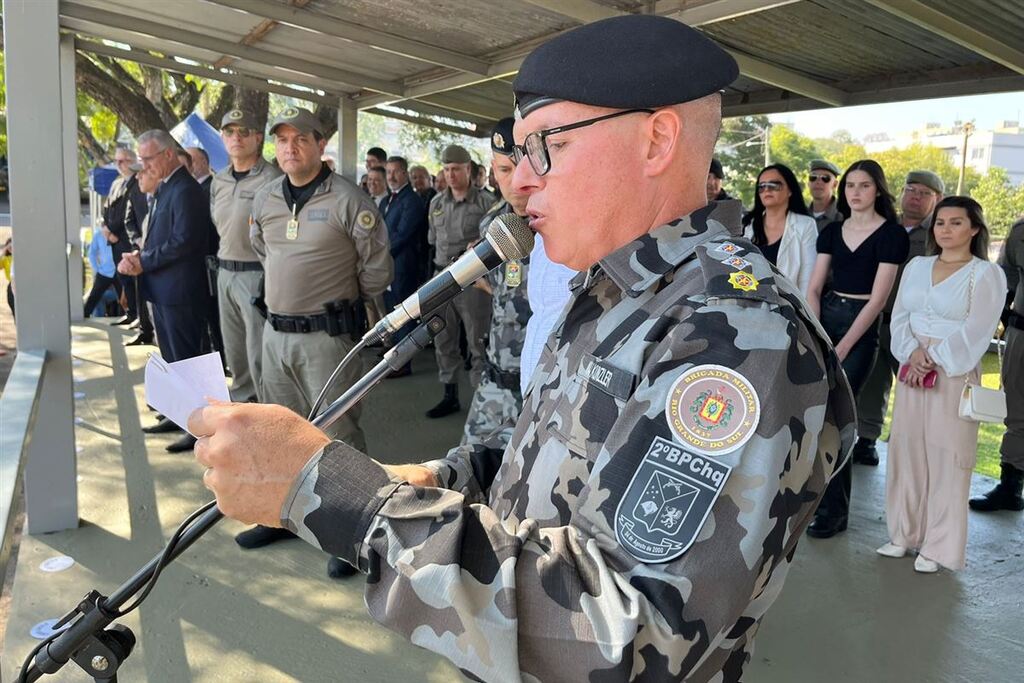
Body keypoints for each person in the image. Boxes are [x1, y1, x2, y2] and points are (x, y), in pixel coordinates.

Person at [191, 16, 854, 680]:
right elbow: (543, 456)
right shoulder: (617, 284)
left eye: (546, 147)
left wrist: (339, 496)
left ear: (655, 141)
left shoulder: (736, 330)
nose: (521, 180)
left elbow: (626, 632)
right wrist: (433, 480)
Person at [239, 107, 392, 579]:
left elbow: (377, 269)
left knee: (338, 435)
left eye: (300, 139)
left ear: (320, 144)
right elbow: (264, 251)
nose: (290, 148)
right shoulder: (265, 199)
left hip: (326, 338)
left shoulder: (348, 199)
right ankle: (281, 516)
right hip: (275, 336)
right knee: (276, 430)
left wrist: (344, 302)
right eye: (282, 140)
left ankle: (354, 531)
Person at [880, 196, 1005, 572]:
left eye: (955, 222)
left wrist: (935, 358)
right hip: (912, 366)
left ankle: (938, 548)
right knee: (906, 449)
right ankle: (904, 534)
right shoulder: (917, 265)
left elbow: (979, 328)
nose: (946, 230)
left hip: (952, 371)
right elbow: (900, 314)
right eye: (940, 223)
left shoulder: (985, 274)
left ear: (974, 229)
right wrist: (912, 353)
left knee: (948, 456)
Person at [805, 159, 909, 538]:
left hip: (862, 328)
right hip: (826, 315)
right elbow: (814, 288)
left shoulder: (892, 235)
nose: (855, 191)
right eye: (850, 185)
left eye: (864, 185)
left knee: (839, 418)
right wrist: (818, 335)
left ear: (877, 190)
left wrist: (844, 345)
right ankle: (815, 504)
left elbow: (879, 300)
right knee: (816, 416)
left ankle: (836, 512)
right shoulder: (832, 231)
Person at [117, 130, 210, 453]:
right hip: (164, 288)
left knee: (188, 362)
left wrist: (145, 260)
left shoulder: (185, 190)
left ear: (169, 154)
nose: (144, 165)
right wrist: (140, 257)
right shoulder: (167, 187)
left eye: (148, 158)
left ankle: (199, 429)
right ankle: (180, 415)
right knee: (173, 361)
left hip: (181, 291)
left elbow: (184, 241)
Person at [853, 170, 944, 465]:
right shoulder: (885, 227)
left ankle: (917, 445)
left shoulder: (937, 233)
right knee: (874, 381)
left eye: (924, 193)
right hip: (878, 316)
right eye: (910, 189)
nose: (915, 197)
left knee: (918, 384)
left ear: (937, 199)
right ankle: (867, 439)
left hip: (918, 325)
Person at [461, 118, 531, 447]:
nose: (516, 182)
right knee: (468, 472)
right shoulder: (494, 222)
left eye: (521, 166)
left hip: (544, 385)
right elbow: (503, 287)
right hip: (497, 379)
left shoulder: (566, 224)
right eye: (504, 170)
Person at [210, 109, 283, 403]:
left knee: (259, 353)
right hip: (225, 272)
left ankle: (267, 414)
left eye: (243, 132)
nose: (235, 138)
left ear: (257, 137)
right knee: (235, 353)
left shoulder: (273, 178)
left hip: (257, 273)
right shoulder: (220, 179)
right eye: (229, 132)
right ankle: (241, 407)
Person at [424, 143, 494, 418]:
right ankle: (449, 394)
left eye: (456, 169)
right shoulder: (436, 203)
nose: (450, 175)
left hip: (472, 279)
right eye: (446, 169)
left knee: (477, 341)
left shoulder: (486, 203)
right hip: (441, 277)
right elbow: (432, 240)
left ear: (468, 169)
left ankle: (481, 401)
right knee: (443, 338)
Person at [972, 216, 1024, 512]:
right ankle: (1011, 487)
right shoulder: (1020, 231)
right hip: (1022, 333)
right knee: (1016, 410)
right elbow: (1007, 281)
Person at [379, 155, 427, 376]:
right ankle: (394, 353)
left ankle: (404, 362)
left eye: (396, 171)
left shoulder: (412, 200)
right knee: (391, 311)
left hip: (403, 266)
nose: (391, 176)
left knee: (404, 315)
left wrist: (381, 254)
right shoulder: (387, 200)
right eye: (388, 172)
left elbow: (403, 235)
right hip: (387, 264)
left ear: (405, 173)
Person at [742, 163, 816, 293]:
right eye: (761, 187)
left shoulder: (805, 225)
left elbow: (807, 279)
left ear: (790, 190)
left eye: (774, 185)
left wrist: (802, 312)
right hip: (750, 302)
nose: (767, 190)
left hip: (789, 306)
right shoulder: (748, 225)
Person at [102, 145, 149, 332]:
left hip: (125, 240)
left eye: (123, 161)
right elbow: (107, 209)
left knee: (134, 281)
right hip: (113, 240)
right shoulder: (116, 183)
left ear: (133, 161)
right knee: (123, 280)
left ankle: (139, 316)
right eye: (116, 161)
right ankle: (131, 313)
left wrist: (113, 231)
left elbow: (126, 214)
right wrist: (105, 229)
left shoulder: (136, 183)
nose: (119, 165)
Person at [83, 228, 122, 317]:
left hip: (119, 271)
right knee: (93, 297)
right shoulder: (98, 235)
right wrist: (97, 268)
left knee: (125, 297)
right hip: (104, 272)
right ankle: (85, 316)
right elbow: (92, 253)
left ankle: (129, 316)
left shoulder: (120, 233)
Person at [808, 159, 842, 231]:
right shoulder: (800, 215)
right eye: (813, 177)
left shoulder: (844, 217)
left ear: (835, 184)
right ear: (808, 183)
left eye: (825, 178)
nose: (818, 182)